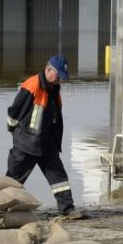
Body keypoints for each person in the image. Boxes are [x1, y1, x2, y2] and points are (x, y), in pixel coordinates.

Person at [5, 54, 84, 219]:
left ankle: (67, 209)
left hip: (47, 143)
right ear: (49, 70)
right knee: (14, 179)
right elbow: (14, 111)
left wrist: (55, 140)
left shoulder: (54, 90)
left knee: (59, 178)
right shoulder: (32, 85)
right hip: (26, 143)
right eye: (58, 76)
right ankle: (2, 207)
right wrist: (14, 130)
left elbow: (55, 117)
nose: (59, 80)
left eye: (62, 77)